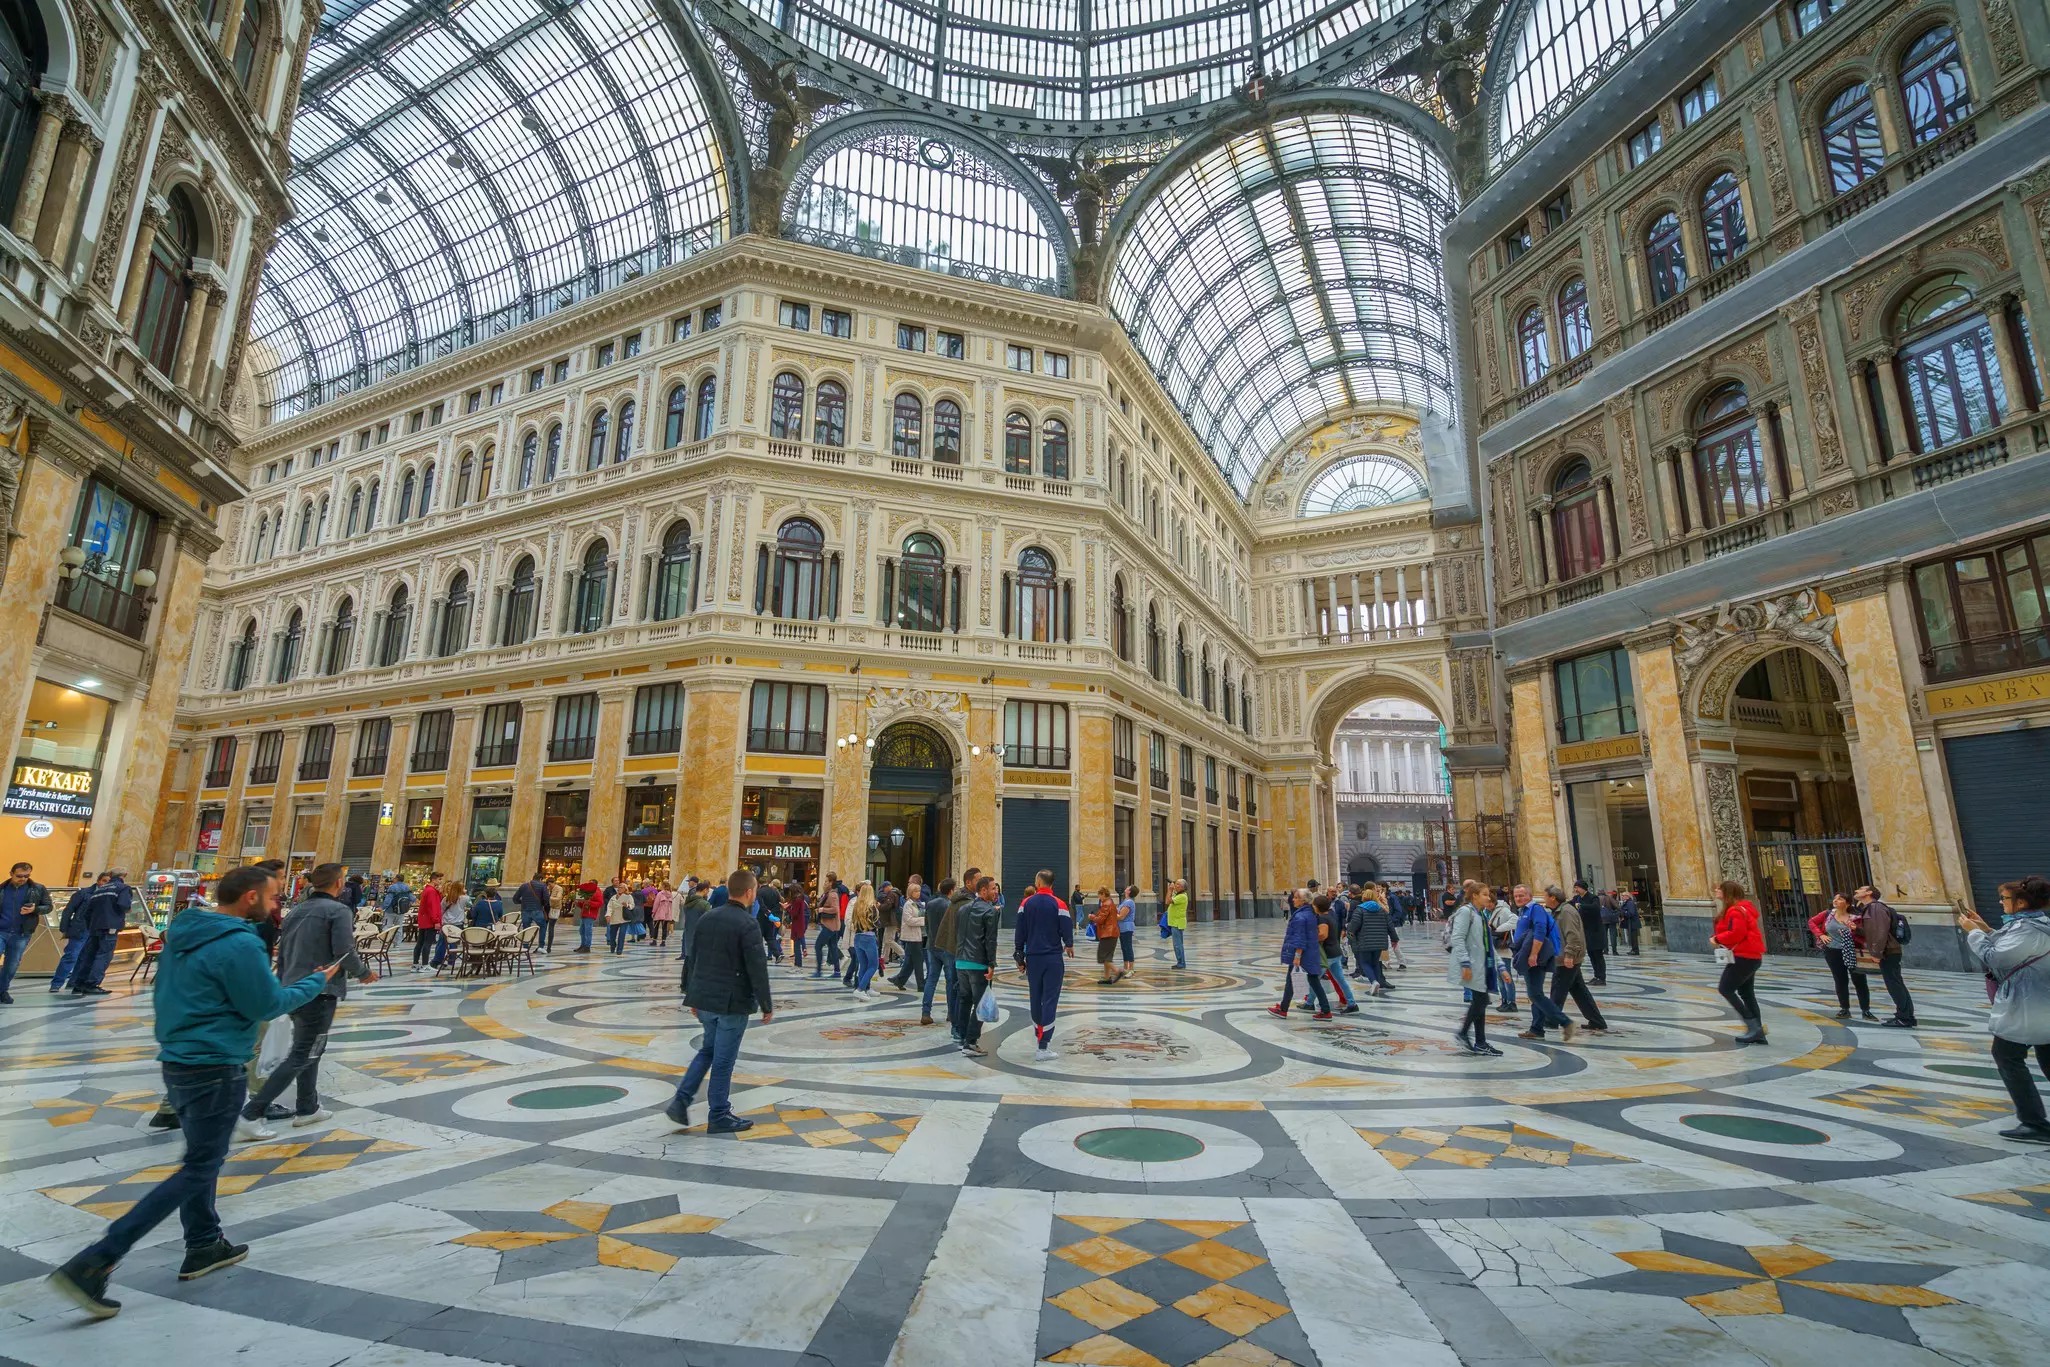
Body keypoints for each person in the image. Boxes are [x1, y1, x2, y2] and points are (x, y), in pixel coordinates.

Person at [45, 866, 342, 1318]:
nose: (278, 905)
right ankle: (97, 1259)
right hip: (215, 1064)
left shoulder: (183, 934)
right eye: (274, 897)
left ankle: (204, 1242)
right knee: (200, 1165)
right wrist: (316, 981)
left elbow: (165, 995)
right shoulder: (240, 942)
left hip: (178, 1060)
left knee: (201, 1158)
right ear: (249, 898)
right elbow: (267, 1004)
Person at [235, 864, 377, 1140]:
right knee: (303, 1052)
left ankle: (307, 1106)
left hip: (292, 988)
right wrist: (363, 973)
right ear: (339, 884)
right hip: (319, 990)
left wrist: (283, 983)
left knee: (312, 1048)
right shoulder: (338, 911)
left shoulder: (296, 911)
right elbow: (344, 952)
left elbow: (284, 950)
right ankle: (252, 1113)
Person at [665, 869, 774, 1133]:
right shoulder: (748, 923)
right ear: (749, 892)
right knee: (724, 1059)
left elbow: (694, 957)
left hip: (704, 1000)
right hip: (731, 1002)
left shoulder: (707, 917)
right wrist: (766, 1004)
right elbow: (757, 967)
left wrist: (693, 994)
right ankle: (719, 1114)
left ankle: (681, 1101)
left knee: (708, 1051)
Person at [1959, 877, 2050, 1143]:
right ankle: (2033, 1120)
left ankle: (2034, 1122)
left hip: (2029, 1005)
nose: (2000, 902)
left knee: (2006, 1055)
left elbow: (1995, 957)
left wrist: (1972, 932)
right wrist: (1986, 928)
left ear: (2021, 902)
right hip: (2039, 1003)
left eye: (2004, 899)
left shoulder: (2027, 930)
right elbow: (2010, 946)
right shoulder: (2036, 924)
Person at [1014, 871, 1074, 1061]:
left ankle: (1038, 1035)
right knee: (1050, 999)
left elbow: (1020, 931)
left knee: (1035, 997)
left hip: (1034, 958)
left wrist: (1019, 955)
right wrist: (1069, 944)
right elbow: (1067, 927)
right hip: (1053, 959)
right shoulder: (1060, 904)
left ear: (1038, 882)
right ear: (1052, 884)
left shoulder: (1026, 904)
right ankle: (1043, 1045)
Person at [1510, 889, 1576, 1041]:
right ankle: (1537, 1028)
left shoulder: (1536, 909)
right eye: (1516, 896)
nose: (1518, 898)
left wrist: (1533, 954)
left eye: (1522, 895)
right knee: (1535, 993)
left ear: (1530, 896)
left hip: (1535, 957)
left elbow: (1540, 931)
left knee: (1535, 994)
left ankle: (1565, 1022)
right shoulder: (1523, 911)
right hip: (1528, 955)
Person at [1543, 885, 1608, 1034]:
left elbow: (1573, 935)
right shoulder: (1560, 911)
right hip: (1566, 957)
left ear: (1553, 898)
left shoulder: (1566, 912)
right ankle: (1597, 1021)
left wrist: (1569, 955)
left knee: (1557, 989)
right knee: (1579, 991)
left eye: (1545, 896)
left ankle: (1551, 1020)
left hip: (1567, 958)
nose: (1544, 899)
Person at [1448, 881, 1501, 1056]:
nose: (1488, 897)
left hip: (1482, 964)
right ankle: (1465, 1034)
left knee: (1481, 1001)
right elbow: (1457, 938)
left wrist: (1501, 966)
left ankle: (1479, 1041)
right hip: (1472, 964)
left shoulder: (1480, 915)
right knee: (1481, 1001)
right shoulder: (1466, 912)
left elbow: (1487, 944)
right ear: (1474, 895)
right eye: (1484, 894)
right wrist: (1464, 963)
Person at [1713, 879, 1768, 1044]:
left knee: (1725, 988)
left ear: (1727, 893)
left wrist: (1717, 938)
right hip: (1751, 956)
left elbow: (1736, 933)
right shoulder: (1742, 909)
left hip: (1743, 956)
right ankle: (1757, 1031)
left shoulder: (1736, 911)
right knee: (1746, 993)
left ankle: (1752, 1026)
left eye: (1719, 889)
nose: (1716, 891)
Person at [952, 875, 1002, 1057]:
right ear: (982, 890)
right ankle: (971, 1042)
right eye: (992, 888)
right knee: (981, 1003)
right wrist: (991, 964)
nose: (995, 892)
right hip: (978, 963)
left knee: (965, 1000)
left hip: (960, 961)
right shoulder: (990, 912)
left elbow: (958, 933)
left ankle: (961, 1036)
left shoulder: (963, 909)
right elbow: (990, 940)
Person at [1855, 885, 1917, 1028]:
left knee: (1894, 985)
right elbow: (1872, 931)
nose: (1857, 891)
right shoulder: (1873, 908)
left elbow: (1880, 931)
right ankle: (1906, 1015)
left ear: (1869, 893)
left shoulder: (1875, 908)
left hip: (1888, 951)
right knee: (1896, 983)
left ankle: (1904, 1017)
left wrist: (1876, 953)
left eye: (1860, 889)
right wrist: (1856, 929)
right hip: (1889, 950)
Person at [1810, 893, 1877, 1021]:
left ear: (1847, 903)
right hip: (1832, 951)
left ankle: (1866, 1010)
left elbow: (1866, 933)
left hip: (1853, 950)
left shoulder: (1856, 917)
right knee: (1840, 980)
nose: (1835, 900)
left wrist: (1855, 928)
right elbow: (1812, 922)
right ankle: (1844, 1009)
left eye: (1840, 898)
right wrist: (1821, 935)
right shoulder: (1828, 914)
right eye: (1835, 898)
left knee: (1859, 980)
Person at [68, 871, 136, 997]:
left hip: (95, 926)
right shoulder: (123, 888)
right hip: (110, 926)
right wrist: (127, 910)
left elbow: (88, 911)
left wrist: (91, 924)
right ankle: (92, 984)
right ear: (123, 876)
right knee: (103, 955)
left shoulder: (100, 888)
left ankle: (79, 983)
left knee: (90, 955)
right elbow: (123, 905)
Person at [1269, 891, 1332, 1020]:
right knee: (1314, 981)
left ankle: (1283, 1009)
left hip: (1302, 954)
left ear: (1304, 901)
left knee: (1291, 981)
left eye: (1296, 898)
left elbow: (1299, 938)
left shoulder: (1300, 917)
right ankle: (1325, 1010)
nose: (1293, 900)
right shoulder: (1310, 914)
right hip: (1311, 952)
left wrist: (1297, 956)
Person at [1, 861, 53, 1004]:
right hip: (1, 931)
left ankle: (2, 990)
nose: (23, 879)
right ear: (11, 874)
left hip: (21, 933)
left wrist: (35, 909)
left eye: (26, 876)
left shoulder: (38, 889)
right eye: (19, 876)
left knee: (12, 964)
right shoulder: (2, 889)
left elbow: (48, 907)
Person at [49, 874, 105, 993]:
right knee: (71, 956)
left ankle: (74, 982)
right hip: (81, 928)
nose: (105, 884)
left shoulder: (106, 895)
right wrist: (65, 929)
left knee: (84, 958)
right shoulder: (83, 893)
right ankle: (57, 983)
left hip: (94, 930)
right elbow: (68, 911)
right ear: (98, 881)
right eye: (104, 880)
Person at [1347, 886, 1392, 995]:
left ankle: (1374, 981)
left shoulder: (1360, 909)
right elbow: (1389, 925)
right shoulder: (1381, 909)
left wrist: (1350, 934)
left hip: (1364, 941)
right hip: (1379, 942)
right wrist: (1394, 938)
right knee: (1376, 962)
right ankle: (1377, 982)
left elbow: (1354, 926)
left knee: (1364, 963)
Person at [888, 875, 929, 992]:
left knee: (910, 962)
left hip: (919, 935)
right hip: (912, 937)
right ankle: (921, 985)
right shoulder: (908, 904)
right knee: (918, 961)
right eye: (916, 891)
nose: (918, 893)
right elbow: (909, 920)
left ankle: (899, 980)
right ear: (910, 892)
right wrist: (923, 921)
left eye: (919, 891)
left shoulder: (920, 903)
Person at [676, 879, 713, 991]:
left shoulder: (688, 903)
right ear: (705, 890)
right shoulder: (704, 904)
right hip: (700, 935)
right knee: (695, 961)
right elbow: (708, 921)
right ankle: (692, 985)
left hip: (688, 933)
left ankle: (684, 984)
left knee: (688, 960)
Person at [1493, 889, 1525, 1014]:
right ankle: (1504, 1000)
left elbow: (1515, 921)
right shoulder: (1487, 912)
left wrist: (1499, 929)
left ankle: (1512, 1002)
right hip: (1495, 948)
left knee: (1505, 975)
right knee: (1499, 977)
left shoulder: (1504, 910)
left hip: (1504, 948)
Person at [1571, 880, 1609, 986]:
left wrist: (1582, 906)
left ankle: (1601, 977)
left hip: (1596, 931)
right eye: (1575, 888)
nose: (1576, 890)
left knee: (1598, 955)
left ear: (1583, 888)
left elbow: (1596, 908)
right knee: (1592, 955)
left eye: (1577, 887)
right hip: (1586, 931)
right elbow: (1570, 904)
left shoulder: (1593, 898)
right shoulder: (1577, 898)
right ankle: (1596, 976)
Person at [848, 882, 881, 999]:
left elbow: (852, 921)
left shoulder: (856, 905)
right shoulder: (872, 907)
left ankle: (864, 989)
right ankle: (861, 988)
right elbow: (877, 924)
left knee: (863, 965)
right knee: (873, 965)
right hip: (869, 937)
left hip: (858, 937)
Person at [1091, 888, 1125, 983]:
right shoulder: (1111, 903)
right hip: (1113, 932)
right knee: (1108, 956)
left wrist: (1092, 917)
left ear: (1103, 894)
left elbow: (1101, 920)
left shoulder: (1106, 904)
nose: (1099, 897)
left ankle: (1118, 971)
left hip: (1108, 933)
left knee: (1103, 956)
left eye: (1099, 895)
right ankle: (1107, 978)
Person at [412, 875, 444, 968]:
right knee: (427, 943)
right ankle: (425, 964)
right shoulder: (431, 891)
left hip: (424, 920)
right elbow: (433, 907)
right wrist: (436, 921)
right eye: (439, 879)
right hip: (430, 921)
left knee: (420, 942)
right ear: (433, 880)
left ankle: (415, 963)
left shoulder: (427, 890)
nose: (441, 881)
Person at [514, 873, 553, 950]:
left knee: (526, 928)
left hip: (525, 910)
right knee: (542, 926)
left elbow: (515, 899)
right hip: (537, 910)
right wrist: (543, 904)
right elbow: (546, 898)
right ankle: (541, 946)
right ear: (541, 879)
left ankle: (525, 946)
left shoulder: (524, 886)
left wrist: (522, 902)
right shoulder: (543, 886)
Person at [812, 886, 844, 979]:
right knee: (833, 947)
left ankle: (818, 971)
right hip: (830, 924)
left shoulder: (832, 895)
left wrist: (822, 909)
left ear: (830, 883)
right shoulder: (828, 894)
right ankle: (837, 971)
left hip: (830, 926)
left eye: (826, 881)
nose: (824, 883)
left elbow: (835, 909)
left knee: (818, 946)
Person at [1164, 878, 1189, 969]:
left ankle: (1181, 963)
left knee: (1177, 944)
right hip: (1175, 922)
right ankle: (1180, 962)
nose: (1176, 885)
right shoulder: (1178, 894)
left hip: (1177, 923)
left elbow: (1167, 901)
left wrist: (1170, 890)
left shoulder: (1182, 896)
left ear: (1182, 887)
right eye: (1175, 883)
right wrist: (1172, 890)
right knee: (1178, 944)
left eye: (1178, 884)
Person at [605, 882, 634, 954]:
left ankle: (619, 949)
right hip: (614, 918)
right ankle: (612, 945)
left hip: (624, 918)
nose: (620, 888)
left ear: (625, 889)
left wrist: (627, 905)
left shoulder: (628, 897)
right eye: (619, 887)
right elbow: (609, 907)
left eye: (622, 887)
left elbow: (632, 905)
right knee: (612, 934)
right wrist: (608, 915)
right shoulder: (613, 897)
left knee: (622, 934)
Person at [575, 877, 602, 952]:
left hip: (590, 914)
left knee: (587, 930)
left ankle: (587, 946)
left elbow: (600, 903)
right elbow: (583, 904)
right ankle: (583, 945)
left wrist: (589, 903)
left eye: (591, 884)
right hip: (584, 913)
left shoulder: (597, 892)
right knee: (582, 930)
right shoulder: (587, 892)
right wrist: (578, 903)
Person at [1117, 885, 1139, 975]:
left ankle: (1131, 969)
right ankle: (1125, 967)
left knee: (1128, 947)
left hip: (1126, 927)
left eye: (1128, 888)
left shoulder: (1129, 902)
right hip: (1122, 928)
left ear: (1129, 891)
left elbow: (1121, 916)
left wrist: (1110, 914)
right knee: (1124, 948)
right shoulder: (1126, 901)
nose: (1126, 888)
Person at [649, 881, 677, 946]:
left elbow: (656, 904)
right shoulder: (670, 895)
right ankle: (663, 942)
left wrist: (653, 912)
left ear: (663, 886)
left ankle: (654, 941)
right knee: (664, 928)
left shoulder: (660, 894)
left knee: (656, 927)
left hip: (659, 913)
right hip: (667, 913)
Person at [1618, 887, 1643, 955]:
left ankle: (1635, 950)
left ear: (1627, 896)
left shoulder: (1630, 903)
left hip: (1632, 922)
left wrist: (1624, 913)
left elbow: (1631, 913)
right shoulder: (1627, 903)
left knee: (1633, 937)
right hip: (1630, 922)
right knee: (1631, 936)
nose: (1622, 897)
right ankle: (1633, 949)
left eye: (1623, 896)